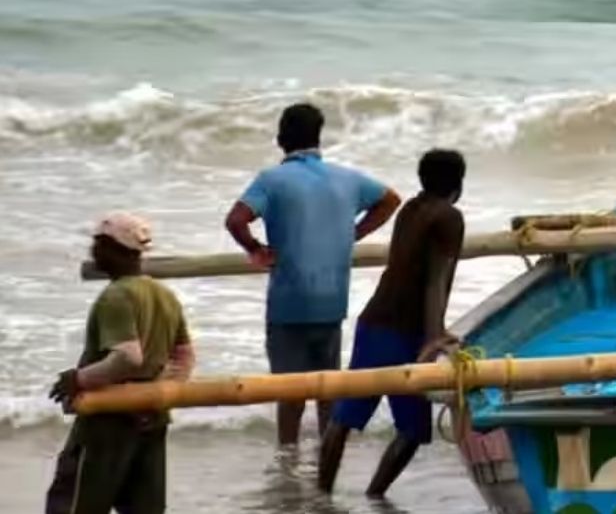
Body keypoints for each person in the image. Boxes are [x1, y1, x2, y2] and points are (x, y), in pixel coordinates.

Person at [223, 102, 401, 447]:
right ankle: (326, 460)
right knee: (327, 390)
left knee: (289, 394)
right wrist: (353, 233)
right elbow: (391, 200)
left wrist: (256, 250)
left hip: (289, 302)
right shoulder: (347, 178)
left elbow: (235, 220)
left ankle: (288, 460)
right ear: (319, 138)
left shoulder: (271, 180)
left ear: (280, 140)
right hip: (332, 301)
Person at [319, 149, 468, 497]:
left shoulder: (411, 209)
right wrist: (435, 335)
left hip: (373, 323)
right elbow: (436, 276)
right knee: (413, 430)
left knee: (344, 417)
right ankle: (374, 496)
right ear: (458, 183)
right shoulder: (449, 217)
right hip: (406, 331)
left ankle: (321, 495)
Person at [46, 214, 196, 514]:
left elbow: (128, 357)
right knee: (143, 507)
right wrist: (157, 393)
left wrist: (78, 378)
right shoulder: (163, 294)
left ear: (118, 250)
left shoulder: (116, 296)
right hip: (152, 418)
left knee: (74, 503)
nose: (93, 251)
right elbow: (185, 355)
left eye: (100, 244)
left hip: (108, 421)